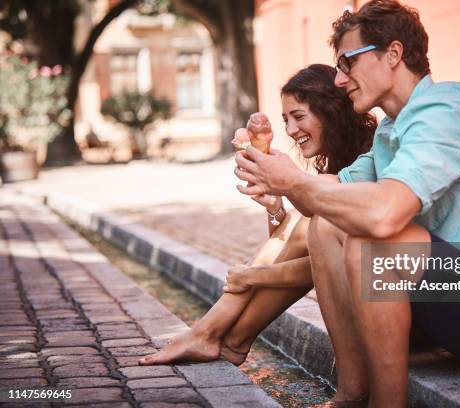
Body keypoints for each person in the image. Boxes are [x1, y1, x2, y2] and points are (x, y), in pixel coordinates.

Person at [234, 1, 460, 406]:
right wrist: (279, 180)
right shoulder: (392, 131)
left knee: (373, 245)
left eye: (347, 64)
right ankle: (350, 393)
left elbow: (382, 217)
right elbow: (324, 195)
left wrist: (294, 182)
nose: (341, 81)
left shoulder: (447, 112)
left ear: (393, 54)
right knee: (328, 225)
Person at [139, 64, 376, 366]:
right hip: (370, 291)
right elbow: (301, 252)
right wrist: (276, 207)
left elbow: (324, 261)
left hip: (392, 303)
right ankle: (226, 339)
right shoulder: (337, 161)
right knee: (304, 224)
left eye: (299, 117)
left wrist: (251, 276)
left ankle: (214, 335)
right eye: (286, 120)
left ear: (332, 111)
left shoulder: (370, 157)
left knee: (308, 223)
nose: (290, 130)